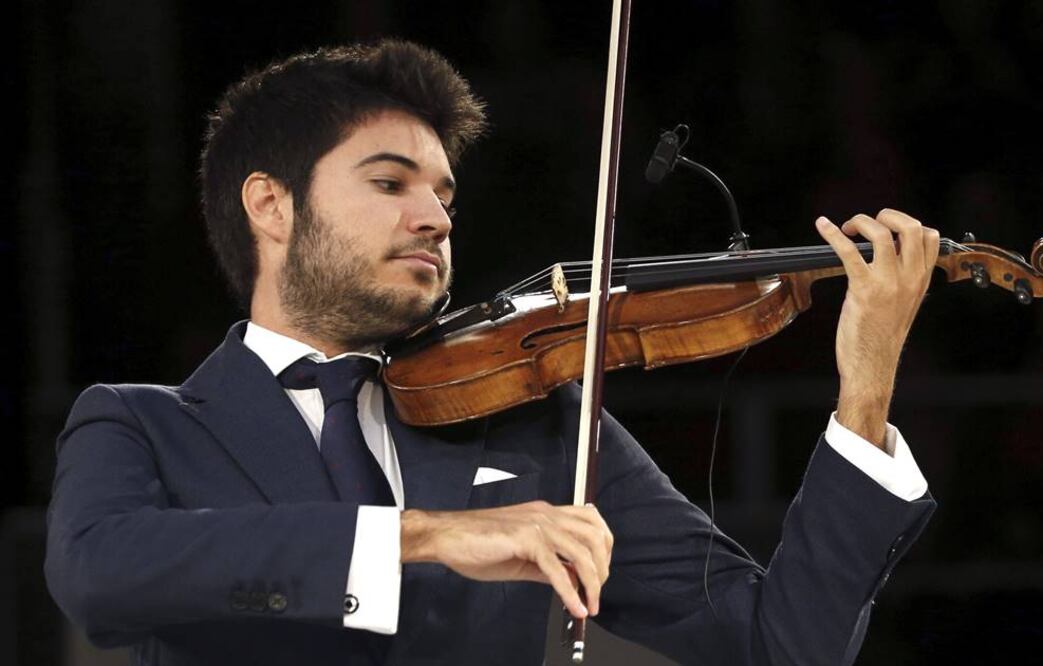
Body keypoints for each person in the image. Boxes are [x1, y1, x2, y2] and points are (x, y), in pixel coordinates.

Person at [45, 40, 937, 665]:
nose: (434, 216)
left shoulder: (535, 423)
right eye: (389, 183)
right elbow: (100, 573)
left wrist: (864, 391)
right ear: (271, 206)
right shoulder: (142, 423)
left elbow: (775, 645)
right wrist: (426, 537)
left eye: (443, 193)